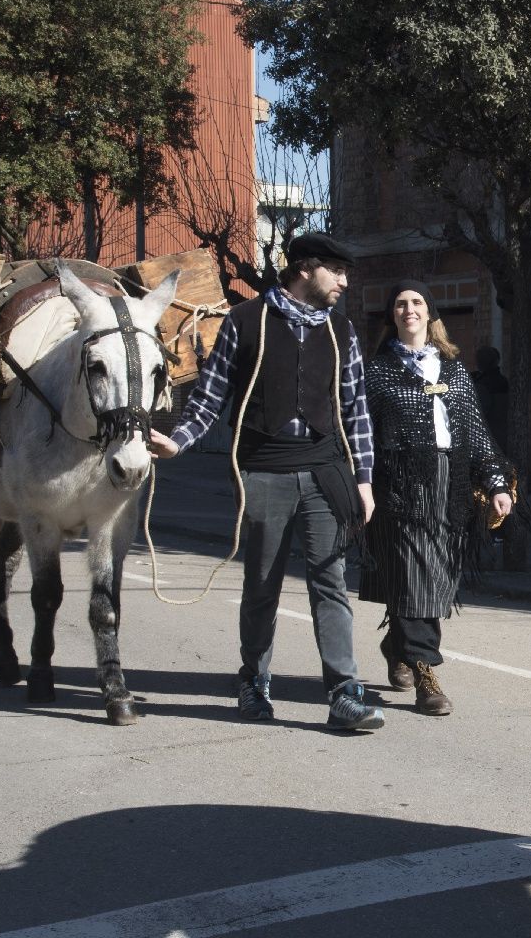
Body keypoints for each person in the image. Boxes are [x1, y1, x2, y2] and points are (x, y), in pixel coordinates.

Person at [146, 232, 383, 732]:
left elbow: (356, 410)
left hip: (325, 470)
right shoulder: (245, 321)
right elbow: (210, 398)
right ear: (303, 268)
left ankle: (344, 691)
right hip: (263, 470)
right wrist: (178, 441)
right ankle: (254, 680)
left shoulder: (342, 332)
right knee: (261, 586)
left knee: (330, 581)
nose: (344, 282)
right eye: (336, 271)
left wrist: (364, 479)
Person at [360, 280, 512, 716]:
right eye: (401, 304)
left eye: (417, 303)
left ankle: (397, 644)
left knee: (438, 575)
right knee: (412, 571)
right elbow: (362, 434)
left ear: (431, 314)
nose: (409, 310)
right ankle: (426, 670)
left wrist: (497, 483)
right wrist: (360, 484)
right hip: (400, 483)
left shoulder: (455, 369)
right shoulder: (378, 370)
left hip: (453, 483)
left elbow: (476, 431)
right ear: (392, 316)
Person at [473, 344, 511, 440]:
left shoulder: (482, 385)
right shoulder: (503, 381)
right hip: (502, 435)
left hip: (487, 437)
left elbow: (478, 413)